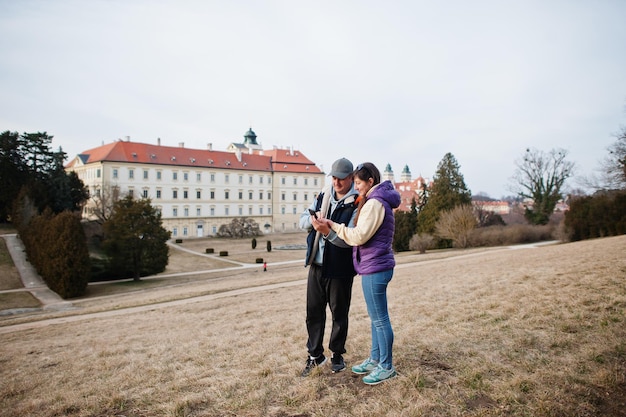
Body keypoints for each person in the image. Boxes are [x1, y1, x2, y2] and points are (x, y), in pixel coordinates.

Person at [317, 162, 401, 385]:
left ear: (370, 181)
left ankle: (386, 366)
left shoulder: (374, 204)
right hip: (374, 266)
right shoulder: (375, 201)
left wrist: (334, 226)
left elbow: (358, 237)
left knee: (380, 320)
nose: (355, 186)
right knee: (376, 319)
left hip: (376, 267)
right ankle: (375, 358)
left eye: (358, 182)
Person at [299, 157, 359, 377]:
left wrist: (327, 232)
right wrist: (313, 223)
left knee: (339, 314)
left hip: (341, 268)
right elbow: (303, 219)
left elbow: (350, 238)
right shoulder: (324, 194)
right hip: (317, 264)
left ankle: (337, 355)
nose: (336, 182)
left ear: (351, 178)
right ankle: (315, 355)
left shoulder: (356, 202)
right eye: (333, 177)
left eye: (341, 179)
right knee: (313, 312)